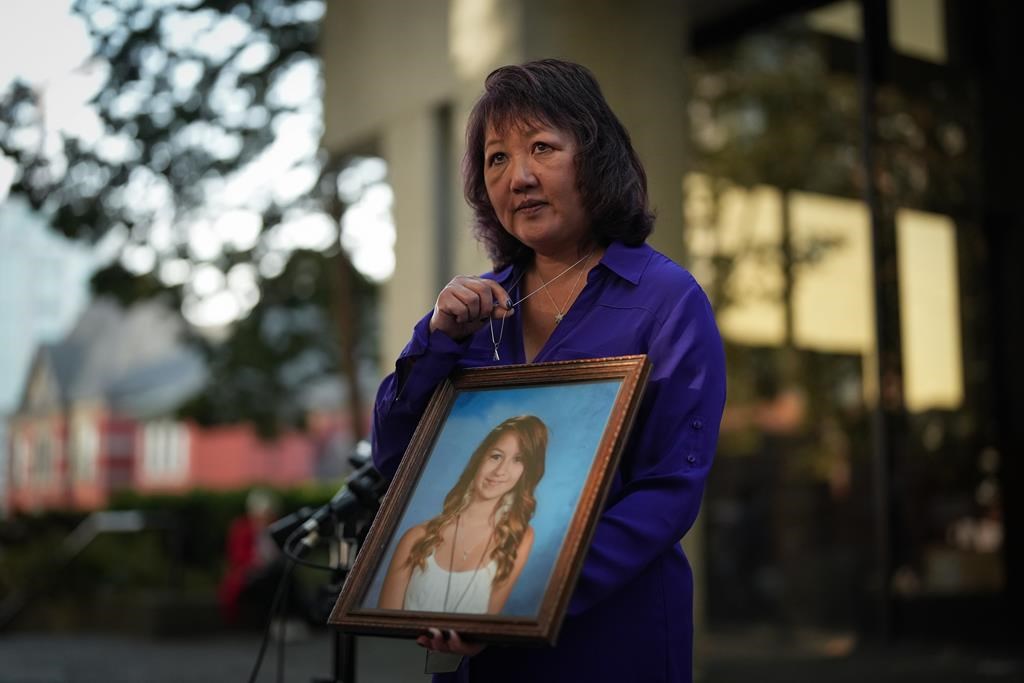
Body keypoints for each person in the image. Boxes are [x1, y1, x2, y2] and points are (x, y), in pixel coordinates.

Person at [372, 59, 726, 682]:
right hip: (482, 641)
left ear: (595, 157)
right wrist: (435, 342)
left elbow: (669, 491)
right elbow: (397, 466)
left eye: (542, 148)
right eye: (497, 158)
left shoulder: (667, 299)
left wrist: (520, 593)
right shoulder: (468, 311)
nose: (521, 176)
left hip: (613, 636)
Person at [377, 415, 547, 614]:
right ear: (478, 459)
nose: (500, 471)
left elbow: (487, 625)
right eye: (496, 456)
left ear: (526, 472)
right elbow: (386, 626)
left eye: (518, 460)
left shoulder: (518, 538)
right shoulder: (416, 538)